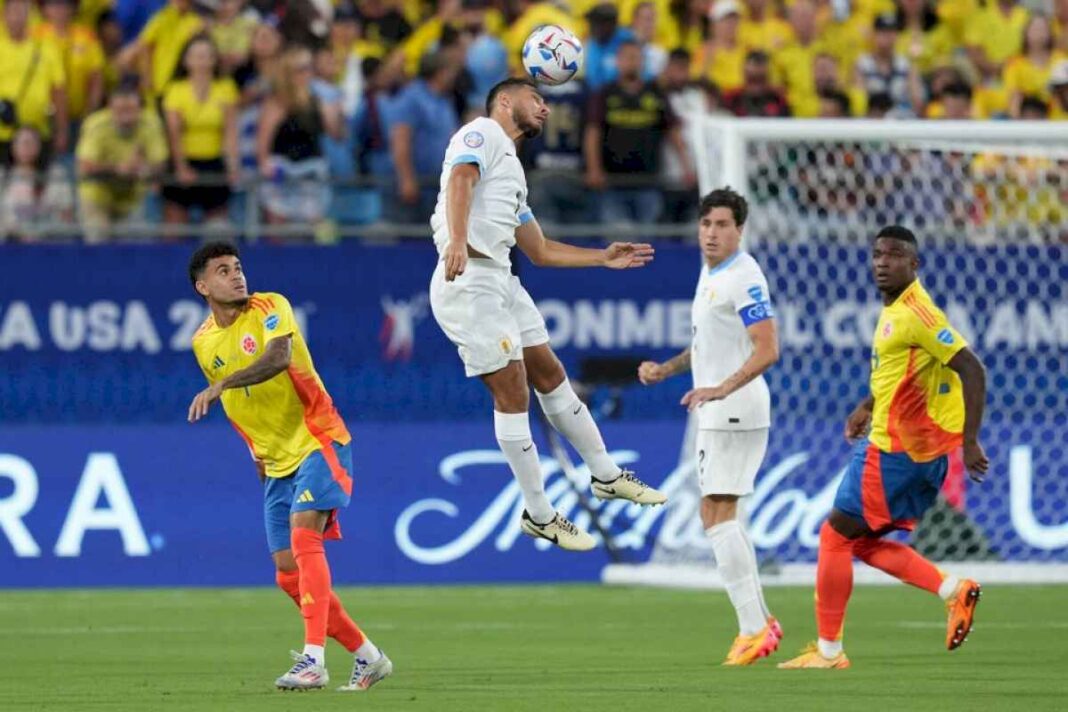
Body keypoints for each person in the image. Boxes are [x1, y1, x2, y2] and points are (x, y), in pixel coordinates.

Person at [430, 77, 667, 551]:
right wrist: (457, 238)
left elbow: (537, 249)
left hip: (501, 278)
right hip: (469, 280)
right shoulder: (481, 133)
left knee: (550, 371)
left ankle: (604, 473)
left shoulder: (514, 170)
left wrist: (603, 256)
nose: (544, 108)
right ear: (503, 100)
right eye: (535, 99)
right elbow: (460, 179)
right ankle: (539, 513)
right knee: (513, 389)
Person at [779, 225, 988, 669]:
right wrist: (868, 404)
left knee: (834, 536)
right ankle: (954, 590)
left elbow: (973, 369)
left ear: (914, 264)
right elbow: (903, 373)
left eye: (894, 256)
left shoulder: (918, 313)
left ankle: (829, 652)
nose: (882, 263)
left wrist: (970, 442)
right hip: (906, 449)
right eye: (877, 254)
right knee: (860, 542)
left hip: (897, 452)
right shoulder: (896, 309)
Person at [186, 241, 393, 691]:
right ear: (203, 286)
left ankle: (313, 660)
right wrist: (256, 454)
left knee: (304, 537)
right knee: (286, 573)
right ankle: (368, 656)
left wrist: (223, 383)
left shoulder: (270, 305)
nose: (236, 276)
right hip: (275, 460)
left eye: (238, 267)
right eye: (223, 271)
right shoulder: (203, 342)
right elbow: (239, 407)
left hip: (320, 439)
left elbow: (278, 358)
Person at [638, 188, 782, 665]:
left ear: (740, 229)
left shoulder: (744, 276)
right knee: (720, 516)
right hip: (722, 409)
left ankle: (753, 628)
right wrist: (667, 369)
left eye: (722, 225)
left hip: (734, 409)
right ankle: (758, 623)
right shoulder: (712, 272)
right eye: (706, 225)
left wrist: (722, 388)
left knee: (717, 516)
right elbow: (706, 347)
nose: (712, 233)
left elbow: (767, 348)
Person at [584, 40, 694, 226]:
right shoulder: (605, 94)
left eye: (636, 58)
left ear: (643, 62)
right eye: (627, 57)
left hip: (649, 182)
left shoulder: (656, 93)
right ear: (617, 61)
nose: (631, 62)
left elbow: (673, 131)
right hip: (613, 183)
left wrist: (686, 166)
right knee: (619, 237)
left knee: (648, 240)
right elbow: (593, 132)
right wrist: (594, 169)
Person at [256, 46, 343, 228]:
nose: (307, 73)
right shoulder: (277, 102)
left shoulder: (318, 100)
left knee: (315, 224)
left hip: (312, 169)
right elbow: (263, 141)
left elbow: (336, 134)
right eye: (301, 69)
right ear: (289, 73)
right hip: (283, 170)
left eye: (309, 68)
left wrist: (334, 112)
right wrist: (265, 165)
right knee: (279, 224)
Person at [161, 34, 240, 229]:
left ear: (214, 59)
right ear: (186, 60)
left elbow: (230, 131)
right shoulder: (175, 90)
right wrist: (181, 167)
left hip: (214, 163)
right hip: (184, 160)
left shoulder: (226, 88)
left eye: (206, 55)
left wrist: (232, 166)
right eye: (196, 55)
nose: (202, 60)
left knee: (217, 230)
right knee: (175, 228)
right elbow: (174, 133)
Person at [76, 82, 169, 243]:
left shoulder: (151, 123)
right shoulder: (96, 124)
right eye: (120, 109)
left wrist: (144, 168)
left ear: (140, 108)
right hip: (97, 196)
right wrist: (118, 169)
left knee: (136, 247)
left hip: (132, 198)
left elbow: (160, 164)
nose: (125, 114)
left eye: (130, 109)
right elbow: (84, 167)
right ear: (109, 107)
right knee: (98, 241)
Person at [0, 0, 68, 166]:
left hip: (38, 133)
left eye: (22, 12)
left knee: (38, 184)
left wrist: (61, 131)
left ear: (30, 16)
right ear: (4, 16)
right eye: (13, 12)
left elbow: (58, 91)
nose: (17, 18)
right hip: (2, 132)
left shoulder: (46, 48)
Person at [0, 125, 74, 241]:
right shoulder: (3, 175)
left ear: (40, 146)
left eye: (31, 143)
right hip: (9, 242)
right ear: (13, 147)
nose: (26, 147)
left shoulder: (56, 174)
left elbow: (66, 212)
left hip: (48, 240)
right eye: (22, 143)